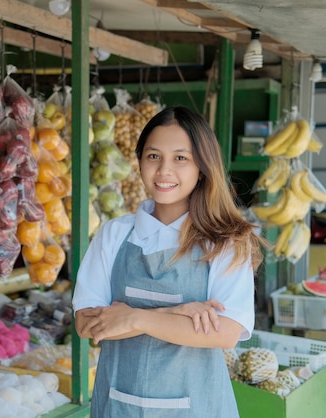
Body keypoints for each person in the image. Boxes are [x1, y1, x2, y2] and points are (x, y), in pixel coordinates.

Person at [72, 105, 266, 417]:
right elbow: (88, 324)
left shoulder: (226, 242)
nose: (164, 170)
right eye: (153, 156)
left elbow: (226, 331)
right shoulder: (114, 235)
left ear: (202, 167)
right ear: (139, 162)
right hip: (118, 405)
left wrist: (135, 318)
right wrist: (174, 313)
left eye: (180, 158)